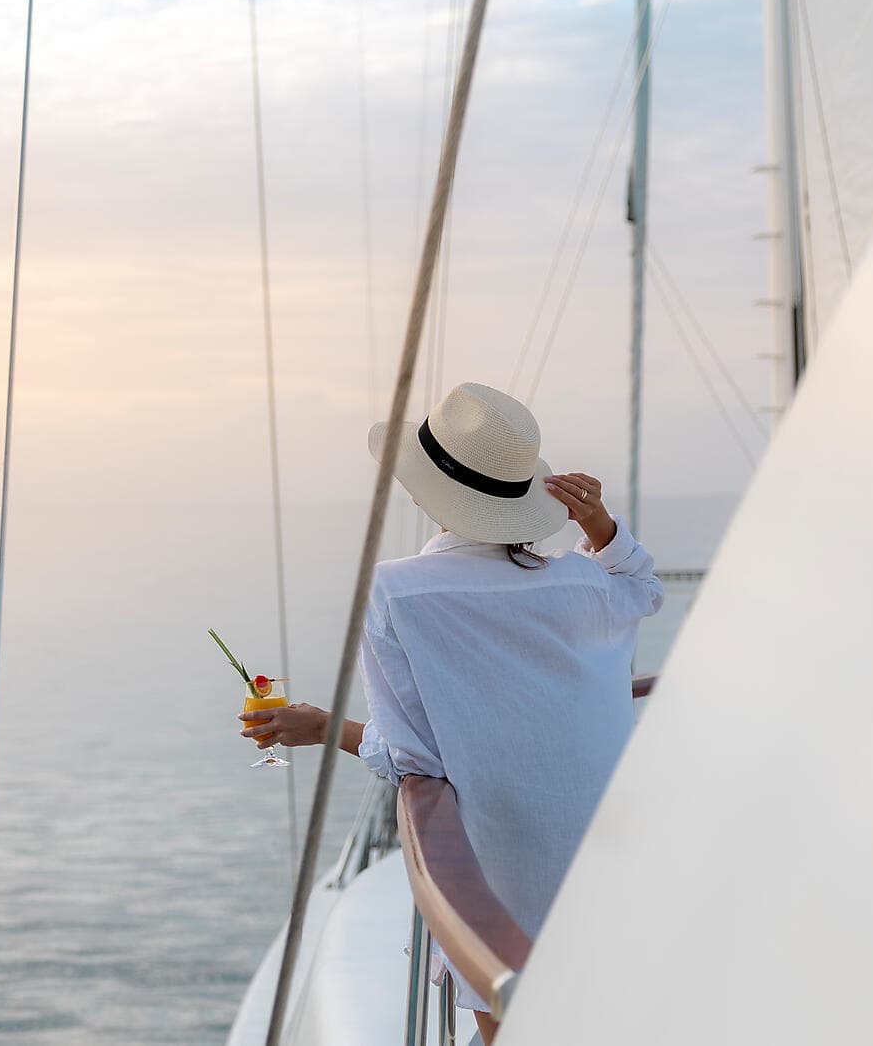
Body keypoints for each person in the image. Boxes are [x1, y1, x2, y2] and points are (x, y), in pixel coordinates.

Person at [238, 382, 663, 1040]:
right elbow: (641, 587)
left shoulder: (395, 592)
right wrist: (598, 524)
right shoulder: (581, 582)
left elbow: (415, 760)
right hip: (605, 856)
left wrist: (323, 727)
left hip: (500, 869)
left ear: (421, 489)